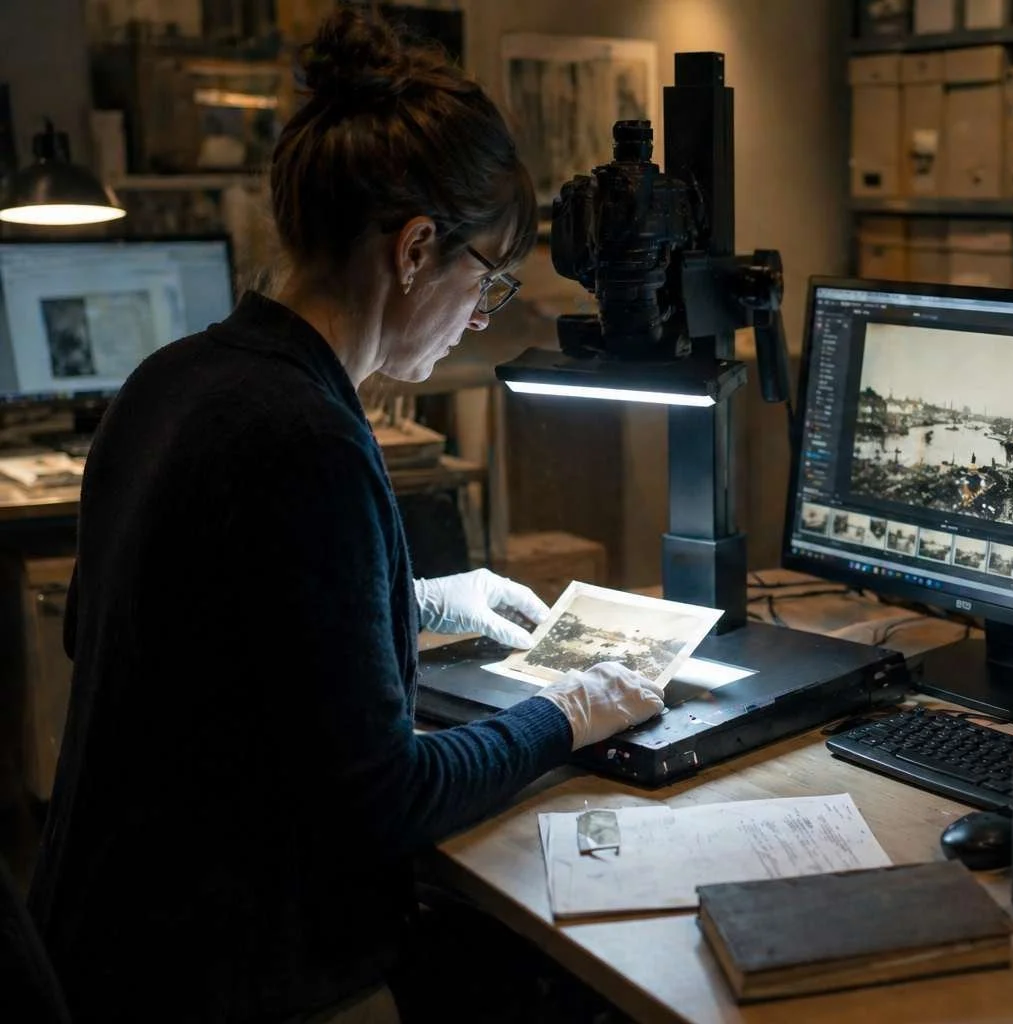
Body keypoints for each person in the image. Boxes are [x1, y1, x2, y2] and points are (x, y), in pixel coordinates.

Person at [26, 10, 665, 1023]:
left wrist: (408, 601)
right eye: (486, 282)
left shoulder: (172, 380)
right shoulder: (307, 437)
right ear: (416, 250)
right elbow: (386, 799)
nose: (480, 314)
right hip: (226, 982)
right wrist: (570, 711)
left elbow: (184, 631)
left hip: (98, 942)